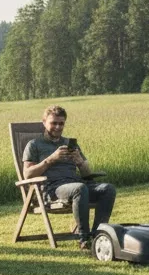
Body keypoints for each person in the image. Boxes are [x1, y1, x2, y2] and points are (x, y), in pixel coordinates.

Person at [22, 104, 116, 250]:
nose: (58, 127)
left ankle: (98, 235)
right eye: (54, 123)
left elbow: (86, 174)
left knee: (108, 189)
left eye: (61, 123)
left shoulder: (69, 144)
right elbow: (27, 174)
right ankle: (84, 238)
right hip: (51, 189)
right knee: (79, 188)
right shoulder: (34, 145)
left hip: (75, 185)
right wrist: (51, 159)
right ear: (44, 122)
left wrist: (79, 161)